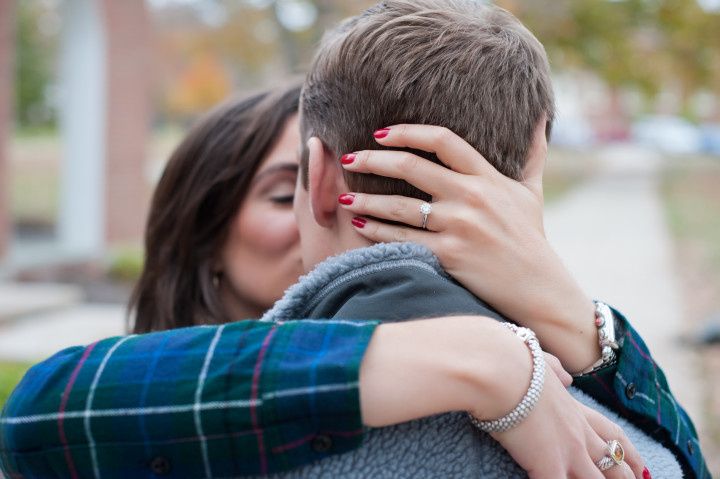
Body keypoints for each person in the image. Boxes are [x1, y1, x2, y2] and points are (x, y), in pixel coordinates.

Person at [0, 9, 709, 477]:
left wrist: (584, 325)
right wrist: (483, 360)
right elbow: (42, 410)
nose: (306, 227)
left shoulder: (560, 378)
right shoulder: (166, 407)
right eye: (272, 195)